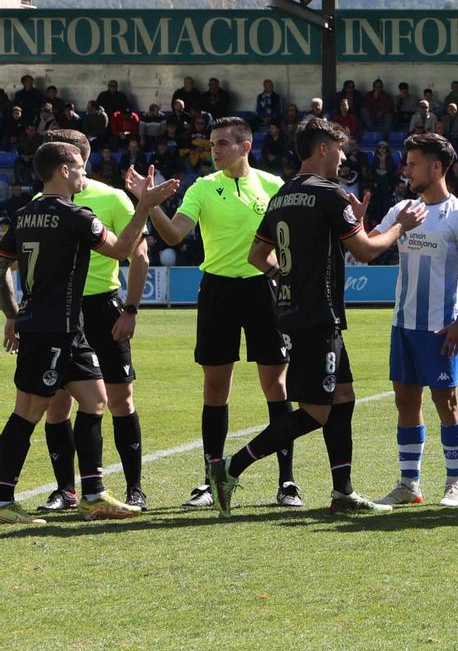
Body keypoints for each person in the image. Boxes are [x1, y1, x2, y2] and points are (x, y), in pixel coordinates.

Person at [206, 119, 420, 515]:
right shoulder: (330, 194)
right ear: (323, 149)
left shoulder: (283, 195)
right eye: (340, 150)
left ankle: (343, 490)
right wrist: (400, 227)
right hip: (317, 317)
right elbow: (368, 250)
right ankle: (231, 467)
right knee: (316, 412)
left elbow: (257, 255)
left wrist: (285, 278)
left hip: (296, 311)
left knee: (343, 396)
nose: (343, 158)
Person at [0, 144, 173, 524]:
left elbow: (2, 266)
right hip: (51, 330)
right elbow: (123, 249)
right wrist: (143, 205)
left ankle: (93, 494)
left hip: (64, 328)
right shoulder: (77, 215)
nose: (84, 174)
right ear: (62, 171)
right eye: (79, 168)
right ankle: (2, 499)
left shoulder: (24, 215)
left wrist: (13, 313)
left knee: (95, 400)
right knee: (27, 412)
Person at [141, 117, 299, 508]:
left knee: (276, 387)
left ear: (245, 147)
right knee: (215, 387)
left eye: (223, 143)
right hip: (217, 291)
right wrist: (150, 205)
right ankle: (210, 482)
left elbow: (291, 240)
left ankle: (287, 482)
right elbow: (175, 234)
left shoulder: (273, 185)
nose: (215, 150)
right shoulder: (202, 187)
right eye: (213, 144)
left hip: (265, 288)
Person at [33, 131, 151, 514]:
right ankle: (66, 491)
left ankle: (134, 489)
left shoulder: (112, 197)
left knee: (119, 399)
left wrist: (130, 310)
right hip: (59, 312)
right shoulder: (41, 202)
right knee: (57, 403)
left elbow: (139, 256)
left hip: (103, 309)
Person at [375, 134, 458, 509]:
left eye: (413, 163)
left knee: (446, 400)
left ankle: (455, 483)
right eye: (406, 163)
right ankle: (410, 484)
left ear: (436, 167)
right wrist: (358, 223)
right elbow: (369, 245)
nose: (406, 169)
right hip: (403, 325)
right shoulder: (402, 210)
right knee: (405, 400)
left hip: (440, 327)